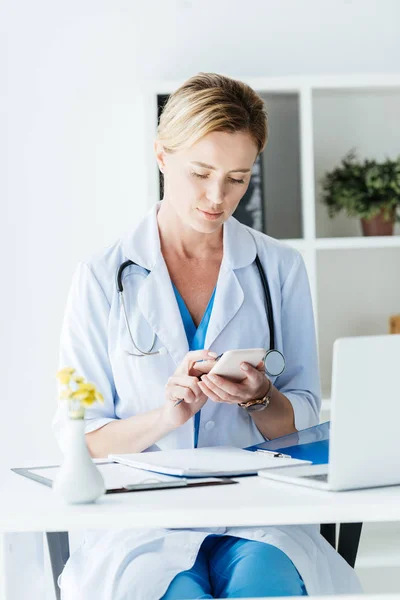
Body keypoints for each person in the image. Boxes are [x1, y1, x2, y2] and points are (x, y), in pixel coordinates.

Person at [53, 72, 361, 599]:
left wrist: (261, 398)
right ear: (161, 155)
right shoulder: (104, 276)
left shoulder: (279, 268)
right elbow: (81, 438)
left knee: (266, 588)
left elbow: (306, 415)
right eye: (200, 172)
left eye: (238, 179)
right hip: (144, 520)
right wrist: (164, 416)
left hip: (261, 513)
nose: (217, 198)